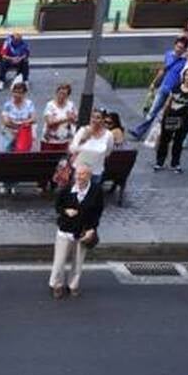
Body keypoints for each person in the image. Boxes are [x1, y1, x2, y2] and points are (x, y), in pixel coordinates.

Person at [48, 163, 103, 299]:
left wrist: (92, 229)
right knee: (59, 261)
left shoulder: (96, 190)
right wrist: (66, 210)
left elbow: (98, 212)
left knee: (78, 262)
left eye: (82, 174)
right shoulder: (67, 189)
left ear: (89, 176)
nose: (78, 176)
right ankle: (57, 285)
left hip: (82, 232)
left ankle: (73, 285)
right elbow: (57, 206)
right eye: (77, 173)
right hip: (65, 230)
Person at [130, 37, 188, 141]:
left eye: (181, 48)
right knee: (152, 112)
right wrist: (154, 83)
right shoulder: (168, 55)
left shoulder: (185, 62)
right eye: (178, 46)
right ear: (174, 45)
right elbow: (163, 70)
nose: (179, 49)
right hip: (163, 88)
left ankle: (169, 136)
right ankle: (139, 131)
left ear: (185, 50)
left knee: (169, 115)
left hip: (174, 92)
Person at [154, 67, 188, 174]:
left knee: (178, 141)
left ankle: (175, 163)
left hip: (184, 119)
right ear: (184, 76)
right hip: (171, 116)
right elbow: (169, 101)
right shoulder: (176, 87)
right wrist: (162, 115)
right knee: (165, 140)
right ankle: (160, 162)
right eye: (187, 75)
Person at [68, 109, 114, 183]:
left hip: (96, 171)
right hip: (80, 171)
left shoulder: (108, 135)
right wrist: (83, 139)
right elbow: (72, 149)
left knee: (93, 192)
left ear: (103, 120)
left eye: (98, 118)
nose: (94, 120)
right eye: (93, 117)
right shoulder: (83, 131)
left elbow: (107, 152)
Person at [0, 81, 35, 153]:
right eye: (15, 92)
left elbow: (33, 118)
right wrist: (20, 124)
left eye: (20, 93)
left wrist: (21, 123)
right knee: (5, 154)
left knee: (21, 155)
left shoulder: (29, 104)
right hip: (8, 134)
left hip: (23, 135)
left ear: (24, 93)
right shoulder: (7, 105)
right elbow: (5, 121)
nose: (17, 95)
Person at [41, 84, 77, 152]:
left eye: (64, 94)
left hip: (65, 141)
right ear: (56, 93)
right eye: (60, 93)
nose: (61, 96)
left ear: (68, 95)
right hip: (50, 140)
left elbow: (75, 120)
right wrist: (67, 118)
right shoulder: (50, 105)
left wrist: (72, 119)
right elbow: (50, 122)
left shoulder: (71, 105)